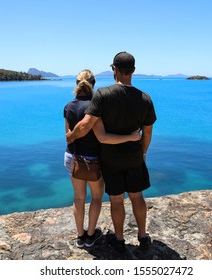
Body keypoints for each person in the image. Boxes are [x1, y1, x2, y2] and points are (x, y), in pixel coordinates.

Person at [66, 52, 157, 252]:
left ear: (114, 69)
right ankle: (142, 236)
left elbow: (85, 125)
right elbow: (147, 133)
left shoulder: (103, 95)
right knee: (137, 197)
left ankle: (119, 238)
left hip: (111, 158)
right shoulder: (145, 99)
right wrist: (142, 153)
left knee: (117, 200)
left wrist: (71, 137)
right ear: (133, 70)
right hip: (134, 157)